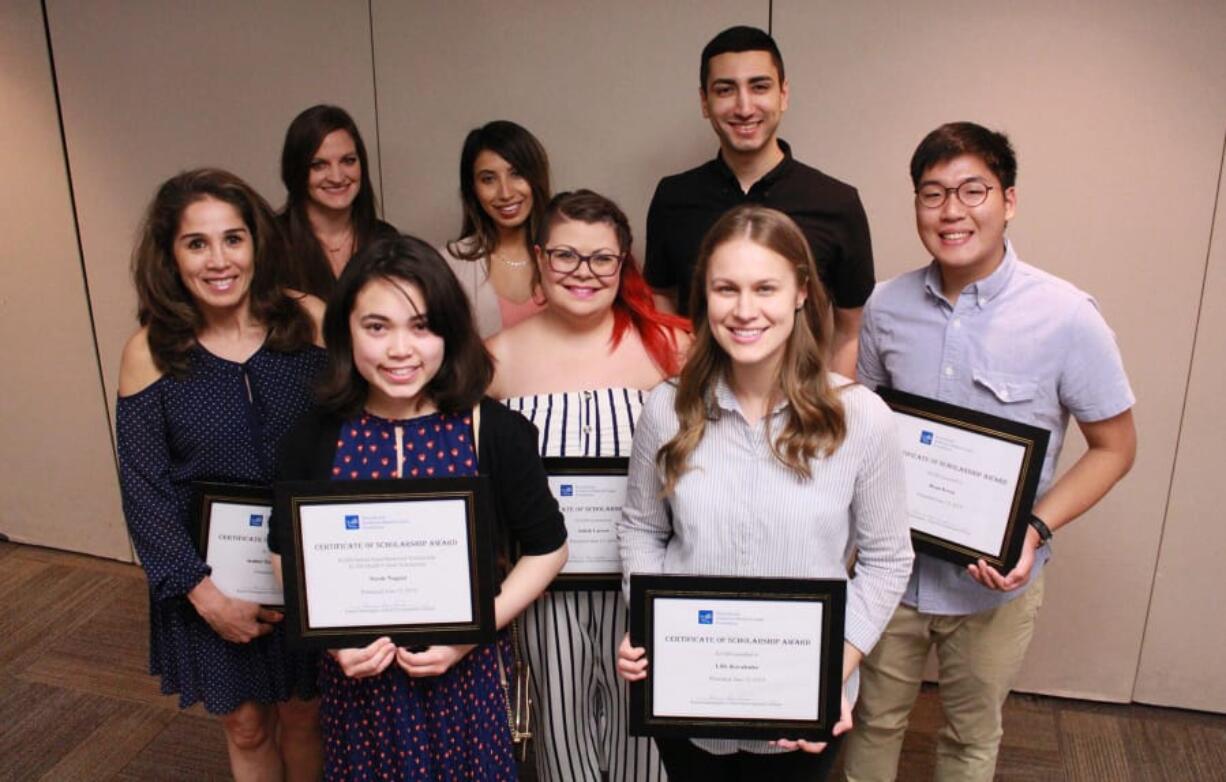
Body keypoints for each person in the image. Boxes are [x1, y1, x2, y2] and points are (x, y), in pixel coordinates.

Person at [841, 122, 1138, 782]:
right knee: (874, 720)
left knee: (971, 736)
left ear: (1009, 200)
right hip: (892, 572)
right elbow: (864, 431)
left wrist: (1033, 531)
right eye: (932, 193)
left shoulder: (1067, 316)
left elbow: (1115, 449)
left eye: (972, 190)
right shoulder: (885, 307)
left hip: (995, 587)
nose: (951, 211)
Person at [618, 205, 913, 781]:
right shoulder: (667, 407)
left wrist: (837, 669)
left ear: (801, 291)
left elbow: (887, 558)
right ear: (704, 295)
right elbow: (641, 529)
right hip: (691, 698)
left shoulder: (861, 418)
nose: (745, 310)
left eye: (765, 288)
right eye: (726, 288)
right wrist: (647, 622)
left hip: (803, 705)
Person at [269, 234, 569, 780]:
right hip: (361, 688)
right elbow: (282, 553)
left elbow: (549, 548)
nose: (400, 350)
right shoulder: (315, 436)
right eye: (377, 327)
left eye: (422, 326)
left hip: (466, 682)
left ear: (450, 332)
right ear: (345, 332)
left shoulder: (493, 430)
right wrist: (336, 642)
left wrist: (468, 635)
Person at [115, 168, 326, 780]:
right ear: (170, 255)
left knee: (305, 713)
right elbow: (144, 490)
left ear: (258, 243)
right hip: (209, 580)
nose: (218, 260)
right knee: (246, 722)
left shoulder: (308, 322)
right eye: (196, 243)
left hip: (305, 568)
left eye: (233, 238)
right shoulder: (150, 350)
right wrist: (204, 596)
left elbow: (354, 438)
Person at [487, 189, 690, 782]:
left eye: (602, 258)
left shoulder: (672, 348)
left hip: (646, 581)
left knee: (646, 740)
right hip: (545, 589)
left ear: (623, 262)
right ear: (539, 257)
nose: (584, 273)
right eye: (566, 256)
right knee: (562, 742)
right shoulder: (496, 361)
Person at [643, 25, 875, 377]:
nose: (744, 106)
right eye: (725, 90)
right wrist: (680, 384)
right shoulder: (673, 196)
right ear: (705, 101)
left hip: (800, 407)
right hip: (699, 403)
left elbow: (850, 330)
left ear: (783, 94)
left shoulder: (837, 202)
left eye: (759, 86)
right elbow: (661, 299)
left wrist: (832, 412)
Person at [444, 120, 553, 337]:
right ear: (472, 189)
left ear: (536, 178)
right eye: (488, 179)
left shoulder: (572, 255)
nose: (505, 192)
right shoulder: (449, 265)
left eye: (517, 174)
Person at [278, 104, 398, 298]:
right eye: (319, 165)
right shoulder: (272, 243)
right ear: (296, 171)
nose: (337, 177)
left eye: (348, 161)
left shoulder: (385, 240)